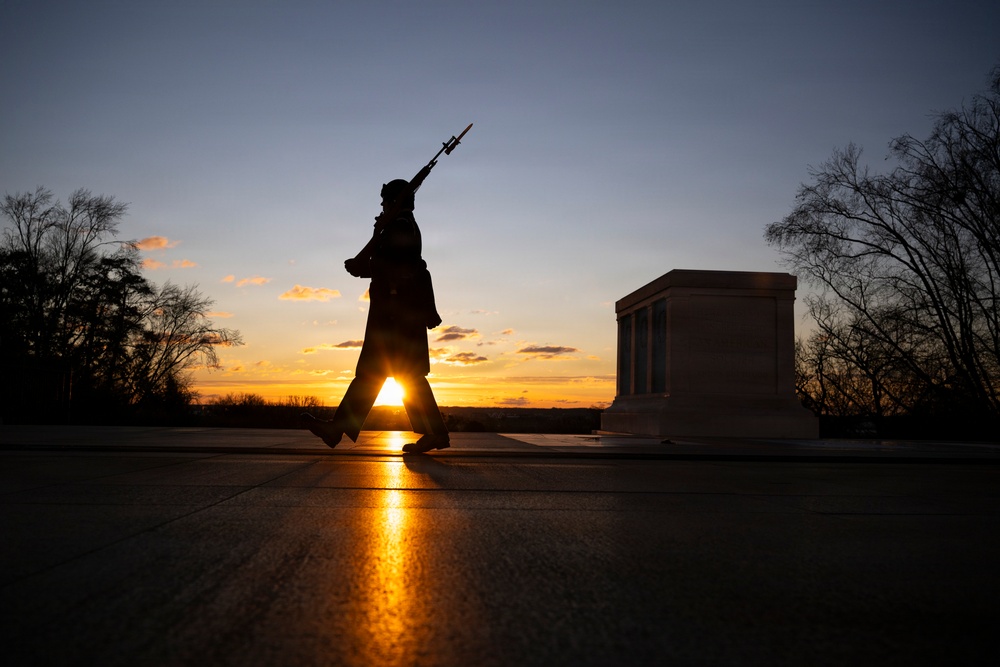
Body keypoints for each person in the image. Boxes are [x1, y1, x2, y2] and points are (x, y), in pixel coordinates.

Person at [302, 179, 450, 454]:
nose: (382, 205)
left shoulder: (400, 226)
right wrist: (367, 261)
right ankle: (434, 433)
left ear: (396, 201)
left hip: (395, 318)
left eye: (386, 200)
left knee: (382, 375)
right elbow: (398, 264)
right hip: (397, 315)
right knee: (399, 377)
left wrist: (365, 265)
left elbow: (399, 266)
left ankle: (338, 429)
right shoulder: (401, 225)